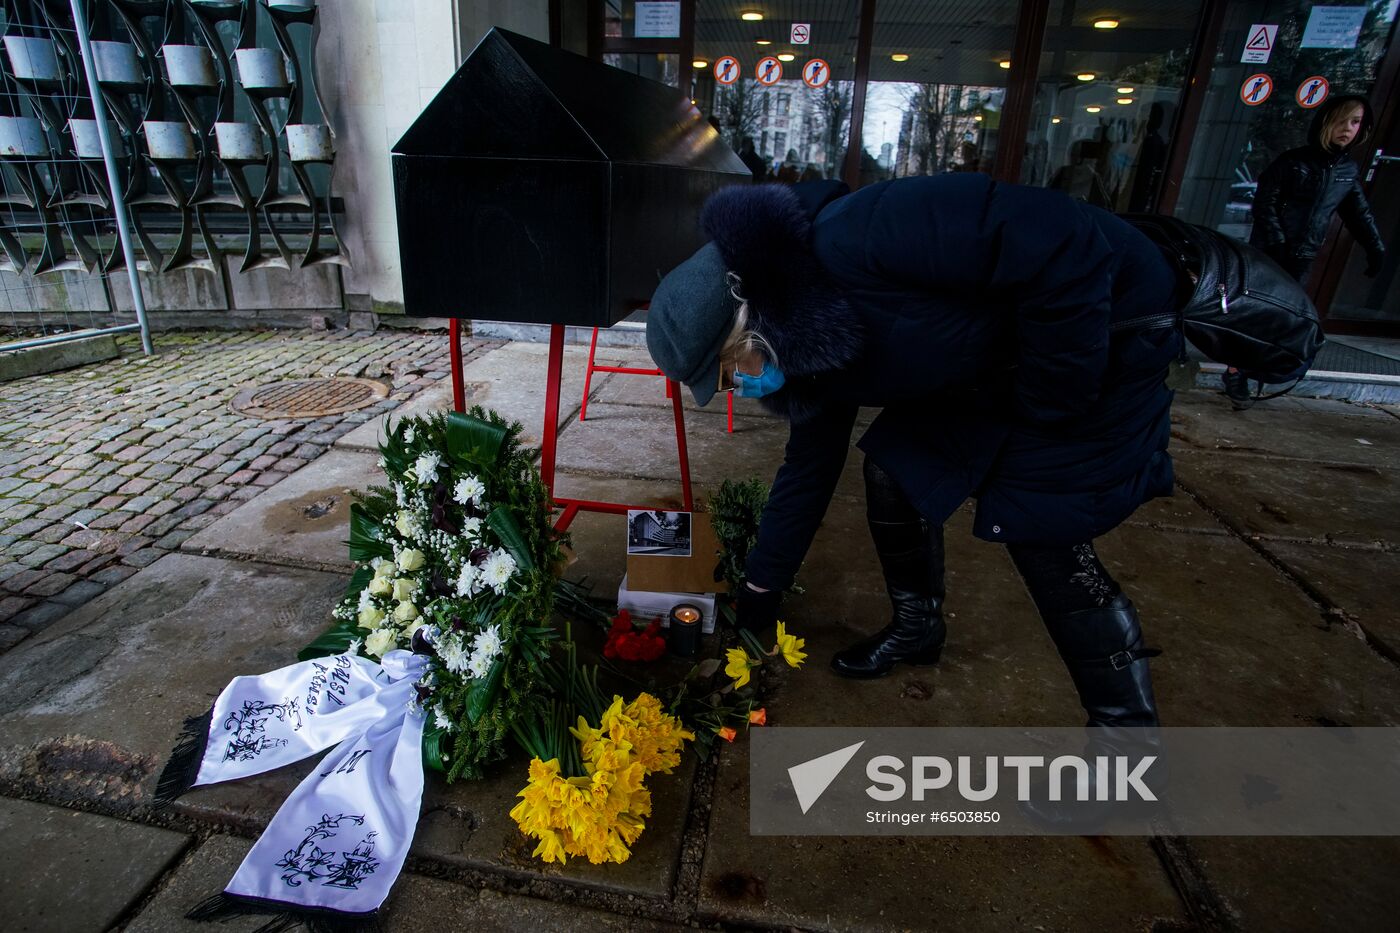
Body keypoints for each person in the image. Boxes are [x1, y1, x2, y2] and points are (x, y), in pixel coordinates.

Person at [645, 174, 1177, 742]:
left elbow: (1064, 240)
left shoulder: (870, 229)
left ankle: (1125, 742)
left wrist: (1046, 405)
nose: (735, 389)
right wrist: (760, 589)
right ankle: (918, 626)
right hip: (998, 356)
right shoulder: (805, 338)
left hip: (1105, 324)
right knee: (896, 468)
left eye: (727, 372)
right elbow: (809, 467)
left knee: (1041, 520)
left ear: (747, 311)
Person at [1225, 94, 1387, 408]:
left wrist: (1375, 247)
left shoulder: (1346, 171)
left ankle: (1254, 370)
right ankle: (1235, 370)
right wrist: (1276, 241)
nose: (1347, 129)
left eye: (1355, 122)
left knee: (1284, 319)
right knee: (1254, 314)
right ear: (1326, 122)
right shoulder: (1293, 162)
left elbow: (1358, 213)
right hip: (1270, 252)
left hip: (1303, 254)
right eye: (1342, 121)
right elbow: (1265, 203)